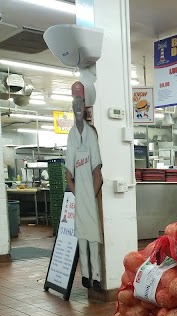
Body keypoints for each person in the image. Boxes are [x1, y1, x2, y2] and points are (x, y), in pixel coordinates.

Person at [65, 81, 104, 291]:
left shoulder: (91, 135)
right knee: (82, 235)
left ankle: (96, 275)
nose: (78, 108)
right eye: (75, 104)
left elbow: (97, 172)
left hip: (89, 193)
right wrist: (78, 194)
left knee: (93, 237)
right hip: (81, 196)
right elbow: (68, 173)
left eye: (80, 103)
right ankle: (85, 275)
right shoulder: (71, 135)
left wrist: (91, 193)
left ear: (85, 106)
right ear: (72, 108)